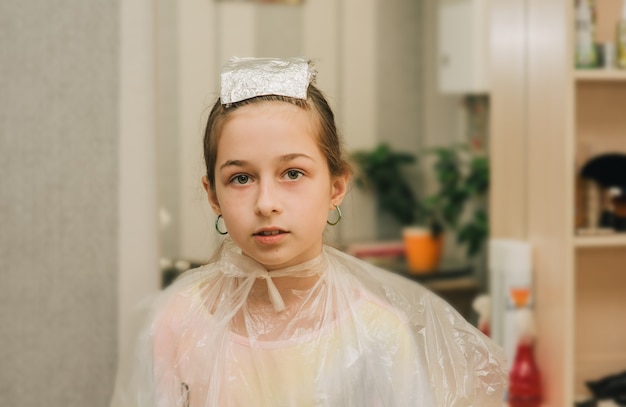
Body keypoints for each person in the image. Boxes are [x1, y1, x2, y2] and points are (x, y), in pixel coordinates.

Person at [115, 57, 507, 406]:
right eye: (240, 178)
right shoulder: (176, 323)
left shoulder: (376, 333)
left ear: (336, 187)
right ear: (212, 195)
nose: (266, 202)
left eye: (292, 173)